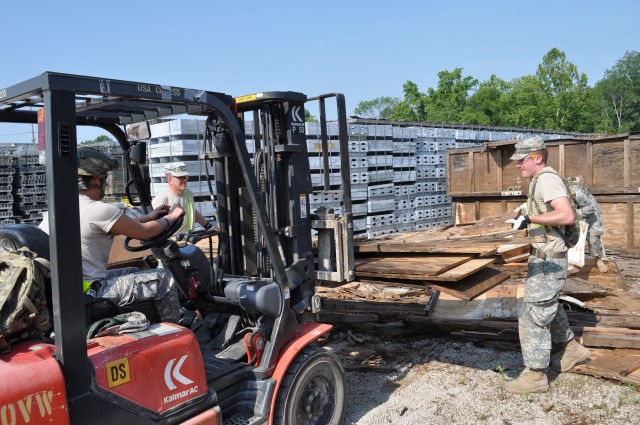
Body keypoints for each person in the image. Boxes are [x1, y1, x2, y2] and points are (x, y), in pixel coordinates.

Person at [504, 136, 589, 394]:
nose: (518, 165)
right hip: (545, 258)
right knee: (547, 307)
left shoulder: (547, 179)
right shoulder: (539, 181)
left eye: (521, 160)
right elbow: (550, 209)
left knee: (532, 317)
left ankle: (536, 376)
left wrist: (530, 217)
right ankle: (572, 350)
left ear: (536, 158)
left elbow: (566, 214)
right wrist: (528, 209)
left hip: (549, 260)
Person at [78, 147, 185, 323]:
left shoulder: (66, 208)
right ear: (96, 180)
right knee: (163, 279)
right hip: (93, 293)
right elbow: (146, 232)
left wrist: (150, 217)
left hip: (78, 288)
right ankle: (175, 330)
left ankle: (146, 323)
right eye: (105, 180)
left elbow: (124, 224)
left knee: (135, 271)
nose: (106, 185)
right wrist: (172, 216)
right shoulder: (97, 209)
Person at [152, 162, 213, 234]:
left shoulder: (188, 193)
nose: (184, 180)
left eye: (185, 177)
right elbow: (157, 227)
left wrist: (207, 226)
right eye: (180, 177)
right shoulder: (161, 199)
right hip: (172, 241)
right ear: (169, 180)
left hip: (189, 237)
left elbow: (192, 210)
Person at [568, 176, 608, 273]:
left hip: (592, 215)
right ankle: (572, 265)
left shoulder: (577, 193)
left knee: (594, 238)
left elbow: (591, 207)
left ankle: (598, 260)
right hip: (578, 213)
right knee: (573, 237)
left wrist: (573, 214)